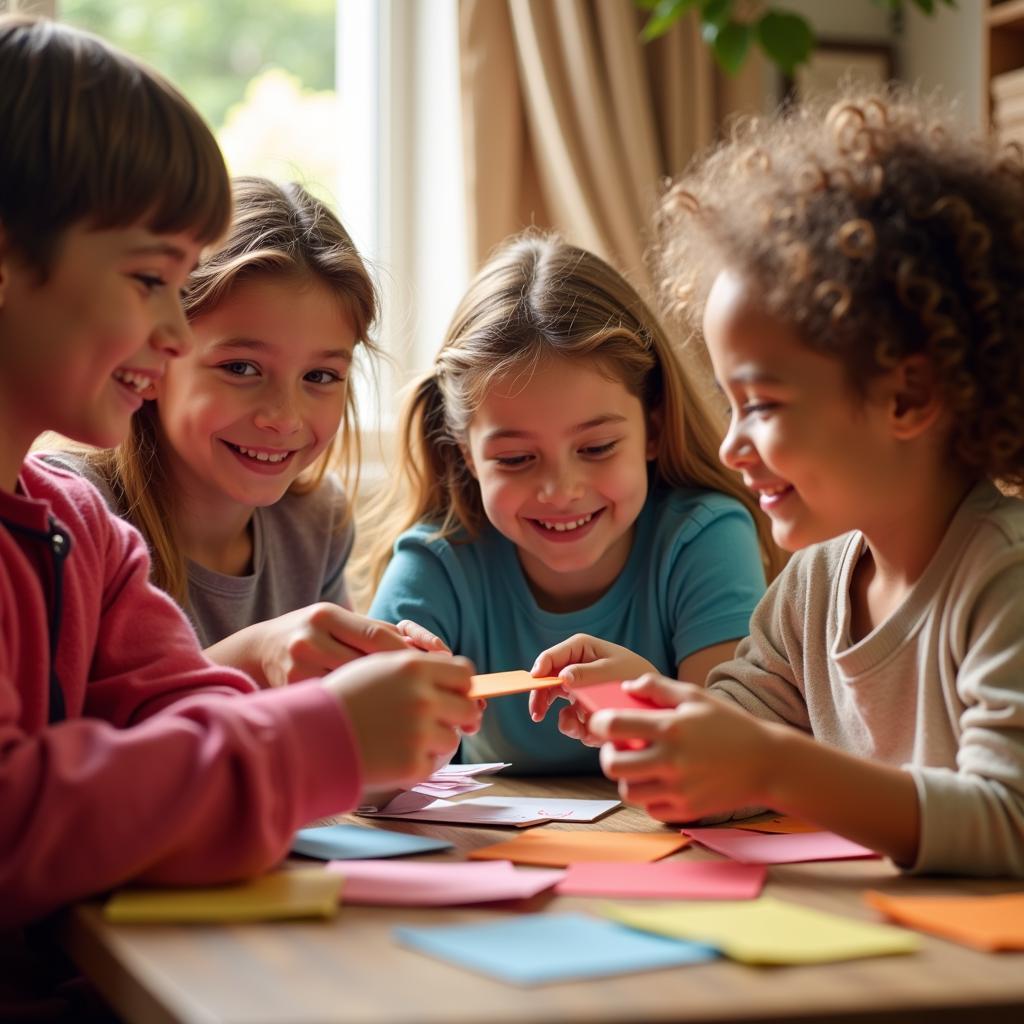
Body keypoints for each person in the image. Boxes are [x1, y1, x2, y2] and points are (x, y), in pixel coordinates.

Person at [0, 14, 480, 938]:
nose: (175, 336)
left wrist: (345, 722)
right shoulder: (90, 510)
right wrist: (318, 737)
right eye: (150, 282)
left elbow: (182, 717)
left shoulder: (81, 534)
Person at [574, 88, 1024, 876]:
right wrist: (649, 716)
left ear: (907, 397)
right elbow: (734, 756)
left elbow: (1010, 820)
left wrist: (773, 765)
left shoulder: (1004, 581)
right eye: (729, 403)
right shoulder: (813, 586)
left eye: (762, 405)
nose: (731, 444)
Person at [365, 233, 776, 773]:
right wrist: (397, 746)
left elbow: (741, 765)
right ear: (466, 454)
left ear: (652, 431)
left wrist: (641, 701)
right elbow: (352, 768)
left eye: (597, 448)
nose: (560, 490)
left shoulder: (704, 537)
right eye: (515, 458)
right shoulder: (438, 562)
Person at [47, 176, 445, 687]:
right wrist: (252, 656)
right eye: (240, 368)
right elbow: (60, 738)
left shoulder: (314, 524)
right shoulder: (71, 511)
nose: (283, 418)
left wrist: (374, 681)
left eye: (320, 377)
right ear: (156, 354)